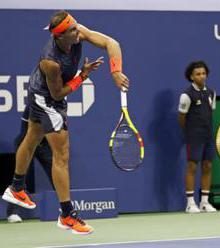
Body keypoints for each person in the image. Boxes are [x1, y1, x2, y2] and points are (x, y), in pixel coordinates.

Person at [2, 10, 129, 234]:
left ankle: (16, 187)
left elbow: (112, 43)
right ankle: (67, 215)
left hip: (38, 93)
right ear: (59, 37)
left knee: (31, 138)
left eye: (75, 26)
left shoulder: (78, 33)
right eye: (72, 30)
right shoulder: (51, 62)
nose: (77, 31)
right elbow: (58, 94)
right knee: (61, 156)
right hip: (48, 99)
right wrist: (82, 76)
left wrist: (115, 71)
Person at [178, 61, 217, 213]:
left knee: (208, 166)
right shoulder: (186, 95)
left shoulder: (211, 93)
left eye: (203, 73)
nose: (202, 76)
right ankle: (190, 203)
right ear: (191, 77)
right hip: (194, 136)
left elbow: (210, 113)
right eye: (198, 74)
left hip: (208, 135)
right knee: (192, 166)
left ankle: (205, 202)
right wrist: (189, 132)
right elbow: (182, 118)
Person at [7, 105, 53, 223]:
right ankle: (13, 213)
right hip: (25, 143)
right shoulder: (33, 106)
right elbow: (25, 132)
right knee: (20, 179)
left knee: (57, 176)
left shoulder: (58, 106)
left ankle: (66, 210)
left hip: (44, 145)